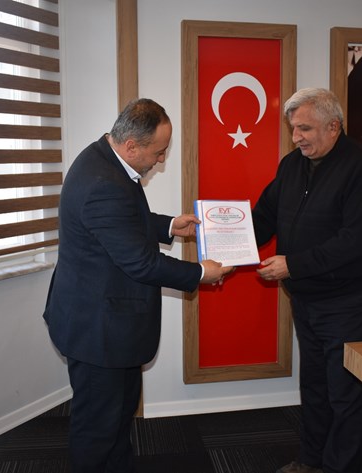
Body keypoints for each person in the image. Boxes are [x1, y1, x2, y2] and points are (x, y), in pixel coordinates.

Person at [43, 98, 233, 472]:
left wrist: (168, 226)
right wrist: (199, 273)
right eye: (159, 152)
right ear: (132, 146)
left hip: (108, 322)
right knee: (98, 428)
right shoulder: (102, 183)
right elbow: (140, 262)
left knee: (118, 415)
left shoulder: (104, 159)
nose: (161, 161)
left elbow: (123, 221)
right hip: (98, 330)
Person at [252, 88, 362, 473]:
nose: (296, 137)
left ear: (333, 126)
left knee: (347, 393)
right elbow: (264, 217)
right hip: (307, 299)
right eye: (293, 129)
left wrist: (293, 265)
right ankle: (311, 461)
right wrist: (223, 239)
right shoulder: (292, 165)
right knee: (314, 387)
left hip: (351, 301)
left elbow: (354, 241)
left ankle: (339, 467)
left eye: (305, 129)